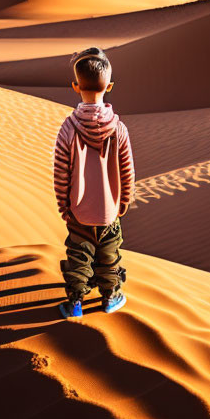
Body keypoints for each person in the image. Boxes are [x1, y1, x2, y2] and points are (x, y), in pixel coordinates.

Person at [52, 47, 135, 319]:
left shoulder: (68, 128)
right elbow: (127, 170)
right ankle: (110, 298)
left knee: (79, 259)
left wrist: (64, 206)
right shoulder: (119, 129)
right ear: (109, 86)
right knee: (109, 257)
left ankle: (75, 303)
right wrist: (124, 201)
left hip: (78, 212)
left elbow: (61, 172)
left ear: (75, 86)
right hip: (110, 213)